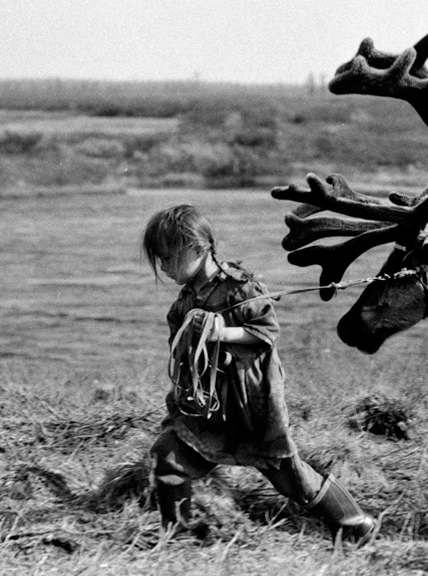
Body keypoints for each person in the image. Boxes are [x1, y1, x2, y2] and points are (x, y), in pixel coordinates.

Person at [141, 204, 377, 545]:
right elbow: (181, 358)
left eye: (167, 257)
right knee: (167, 455)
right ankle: (177, 536)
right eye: (159, 260)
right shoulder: (183, 305)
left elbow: (266, 331)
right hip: (207, 408)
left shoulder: (240, 288)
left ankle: (354, 522)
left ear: (196, 247)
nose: (163, 267)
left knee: (288, 475)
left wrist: (221, 333)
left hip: (251, 402)